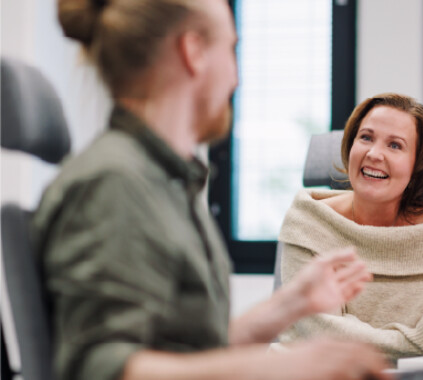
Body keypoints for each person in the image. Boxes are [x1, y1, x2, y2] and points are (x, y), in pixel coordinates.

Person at [32, 1, 392, 380]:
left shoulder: (163, 182)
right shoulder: (112, 185)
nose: (235, 77)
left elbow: (190, 352)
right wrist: (282, 368)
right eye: (231, 49)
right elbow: (98, 369)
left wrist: (292, 303)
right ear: (194, 52)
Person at [278, 93, 423, 360]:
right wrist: (418, 341)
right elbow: (319, 329)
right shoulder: (309, 220)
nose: (373, 154)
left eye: (395, 145)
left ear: (419, 165)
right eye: (366, 138)